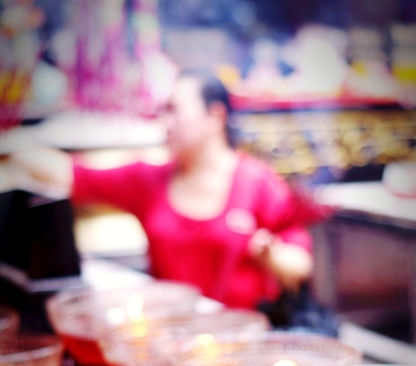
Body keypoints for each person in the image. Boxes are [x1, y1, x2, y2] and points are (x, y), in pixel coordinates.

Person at [1, 68, 333, 319]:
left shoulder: (258, 183)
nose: (166, 122)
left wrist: (269, 253)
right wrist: (12, 143)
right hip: (170, 340)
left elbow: (299, 265)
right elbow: (71, 174)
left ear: (214, 116)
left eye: (174, 110)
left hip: (239, 352)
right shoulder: (148, 179)